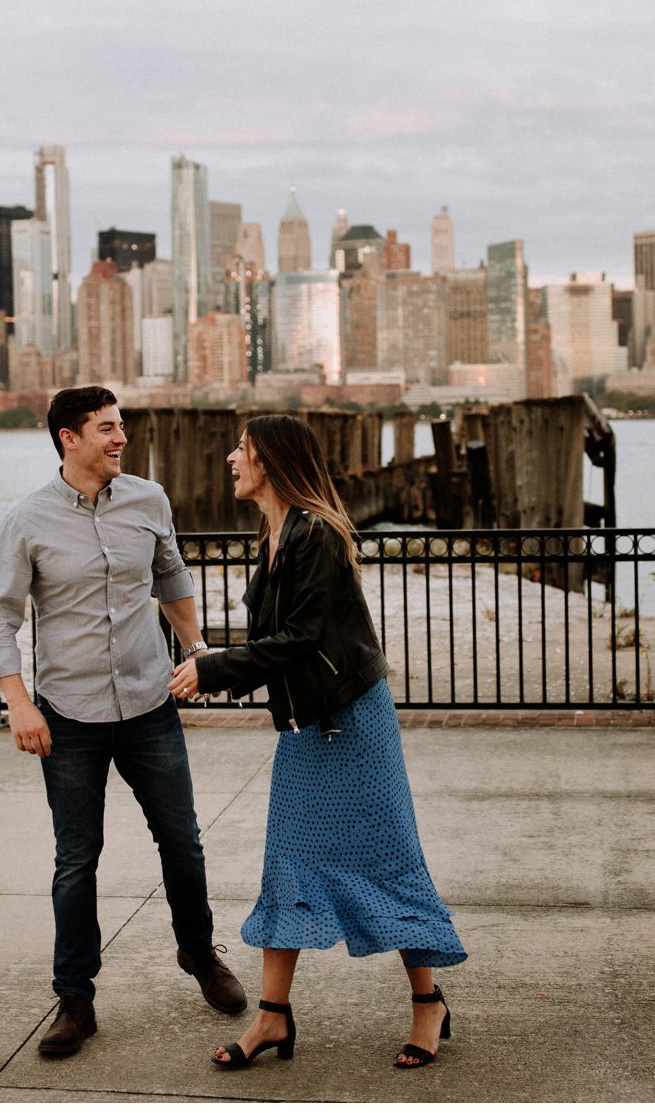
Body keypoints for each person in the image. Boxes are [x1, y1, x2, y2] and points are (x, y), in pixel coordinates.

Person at [168, 413, 465, 1071]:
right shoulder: (273, 532)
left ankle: (429, 1003)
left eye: (241, 451)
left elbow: (298, 640)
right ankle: (272, 1019)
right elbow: (284, 643)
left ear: (271, 462)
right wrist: (214, 666)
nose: (229, 460)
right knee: (289, 866)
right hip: (307, 728)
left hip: (352, 721)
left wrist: (212, 669)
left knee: (389, 862)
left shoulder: (318, 535)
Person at [0, 384, 245, 1058]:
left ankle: (198, 953)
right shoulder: (27, 519)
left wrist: (199, 652)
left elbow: (171, 578)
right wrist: (19, 700)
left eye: (120, 425)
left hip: (151, 704)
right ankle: (76, 999)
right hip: (68, 715)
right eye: (106, 428)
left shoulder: (150, 500)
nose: (120, 438)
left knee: (182, 842)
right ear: (69, 437)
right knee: (76, 861)